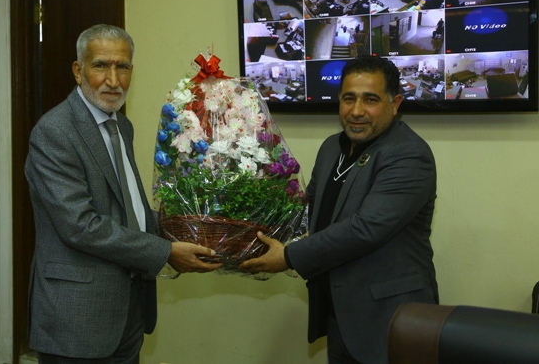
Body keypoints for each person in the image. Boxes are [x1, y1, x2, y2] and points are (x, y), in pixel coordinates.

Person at [25, 24, 222, 364]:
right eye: (101, 65)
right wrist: (165, 251)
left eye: (123, 67)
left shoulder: (121, 125)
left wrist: (188, 225)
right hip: (77, 318)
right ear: (78, 71)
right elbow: (80, 226)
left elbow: (128, 209)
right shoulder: (54, 132)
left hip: (129, 309)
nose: (113, 80)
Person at [240, 55, 438, 364]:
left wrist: (288, 256)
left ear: (395, 103)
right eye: (348, 99)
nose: (356, 111)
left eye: (370, 99)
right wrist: (248, 222)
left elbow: (365, 229)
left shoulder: (409, 154)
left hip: (391, 318)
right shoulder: (332, 147)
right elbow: (309, 210)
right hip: (340, 314)